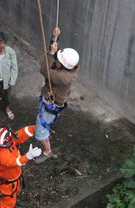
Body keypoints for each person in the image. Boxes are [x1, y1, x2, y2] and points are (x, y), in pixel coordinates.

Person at [34, 27, 80, 164]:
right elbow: (56, 55)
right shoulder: (71, 66)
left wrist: (50, 54)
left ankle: (47, 151)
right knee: (43, 119)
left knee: (40, 130)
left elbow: (44, 69)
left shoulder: (63, 77)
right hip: (51, 98)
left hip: (52, 103)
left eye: (58, 59)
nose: (56, 60)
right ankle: (46, 135)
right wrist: (55, 38)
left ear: (64, 66)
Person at [0, 125, 41, 208]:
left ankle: (13, 203)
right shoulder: (2, 156)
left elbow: (22, 134)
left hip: (16, 178)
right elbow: (14, 162)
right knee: (8, 202)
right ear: (8, 139)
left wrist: (36, 128)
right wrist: (28, 156)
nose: (12, 136)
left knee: (15, 193)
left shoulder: (10, 143)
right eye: (10, 135)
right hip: (8, 185)